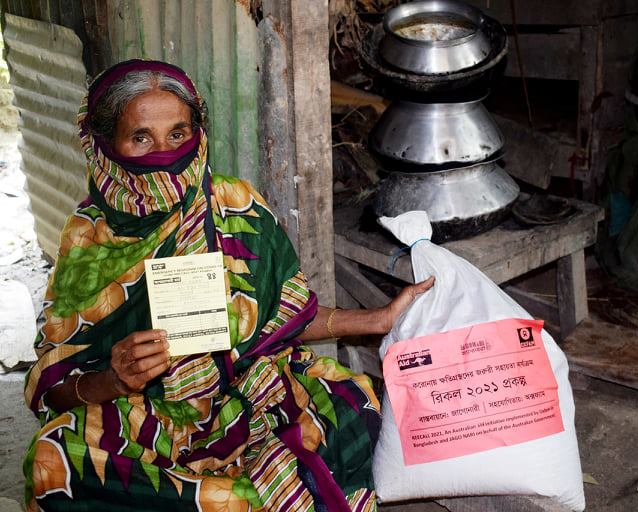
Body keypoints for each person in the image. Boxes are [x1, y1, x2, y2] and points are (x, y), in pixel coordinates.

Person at [23, 59, 433, 511]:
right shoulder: (89, 235)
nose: (164, 152)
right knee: (55, 459)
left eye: (178, 134)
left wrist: (379, 318)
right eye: (141, 137)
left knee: (351, 408)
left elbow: (289, 315)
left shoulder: (234, 203)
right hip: (145, 412)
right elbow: (57, 381)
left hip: (249, 394)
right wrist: (113, 381)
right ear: (104, 144)